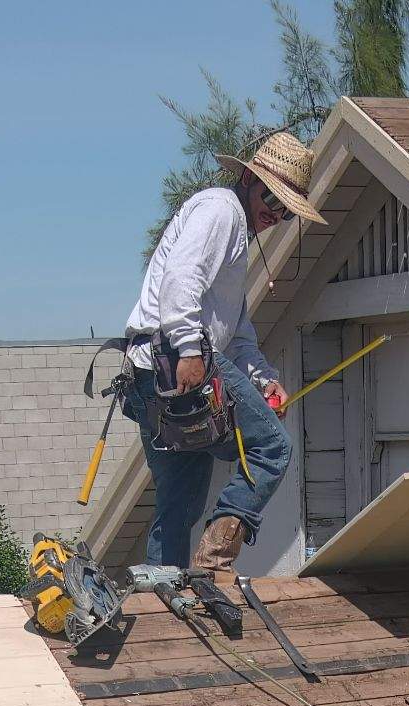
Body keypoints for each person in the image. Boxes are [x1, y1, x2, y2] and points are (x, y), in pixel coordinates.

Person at [123, 130, 324, 592]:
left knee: (181, 498)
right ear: (250, 178)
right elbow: (181, 278)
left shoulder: (232, 223)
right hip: (173, 359)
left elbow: (236, 334)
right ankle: (213, 566)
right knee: (273, 448)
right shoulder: (221, 210)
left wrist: (263, 379)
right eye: (272, 197)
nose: (274, 212)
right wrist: (190, 350)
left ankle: (164, 593)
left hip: (152, 369)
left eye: (284, 207)